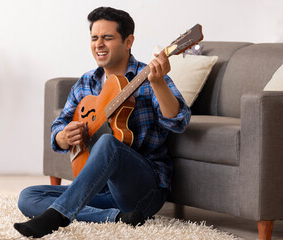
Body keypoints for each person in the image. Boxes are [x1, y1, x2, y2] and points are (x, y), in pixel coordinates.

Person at [14, 6, 191, 238]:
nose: (99, 44)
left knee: (107, 142)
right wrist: (64, 136)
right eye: (94, 38)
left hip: (142, 191)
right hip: (100, 191)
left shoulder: (150, 77)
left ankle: (58, 216)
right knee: (28, 196)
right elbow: (58, 128)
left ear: (128, 42)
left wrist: (158, 84)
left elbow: (178, 122)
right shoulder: (86, 82)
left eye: (107, 38)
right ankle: (116, 218)